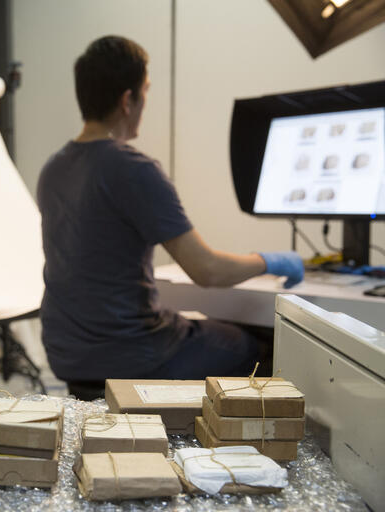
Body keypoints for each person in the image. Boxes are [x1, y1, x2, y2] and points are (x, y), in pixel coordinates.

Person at [36, 35, 304, 399]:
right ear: (128, 99)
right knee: (258, 347)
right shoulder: (132, 168)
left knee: (201, 326)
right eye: (145, 90)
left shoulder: (54, 167)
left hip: (67, 352)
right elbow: (207, 270)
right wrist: (269, 260)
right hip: (133, 353)